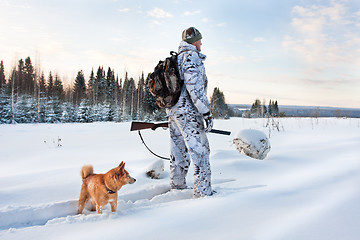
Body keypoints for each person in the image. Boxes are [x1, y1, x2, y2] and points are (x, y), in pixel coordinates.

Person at [166, 27, 214, 198]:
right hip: (188, 112)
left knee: (178, 150)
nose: (201, 43)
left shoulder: (177, 57)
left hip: (174, 112)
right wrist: (206, 112)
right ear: (194, 41)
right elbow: (195, 88)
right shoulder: (191, 56)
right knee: (200, 150)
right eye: (200, 40)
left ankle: (177, 186)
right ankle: (203, 192)